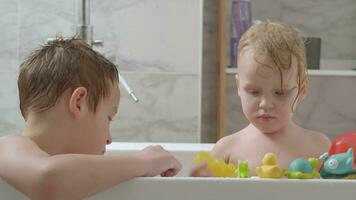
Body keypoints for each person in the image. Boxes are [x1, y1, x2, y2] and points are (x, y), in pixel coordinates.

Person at [0, 37, 181, 199]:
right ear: (79, 103)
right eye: (108, 118)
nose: (109, 139)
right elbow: (48, 179)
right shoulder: (7, 147)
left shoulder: (75, 176)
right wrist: (144, 162)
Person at [191, 21, 331, 176]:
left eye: (280, 92)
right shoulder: (226, 150)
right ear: (238, 86)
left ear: (302, 89)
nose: (265, 104)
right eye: (254, 91)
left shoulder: (319, 147)